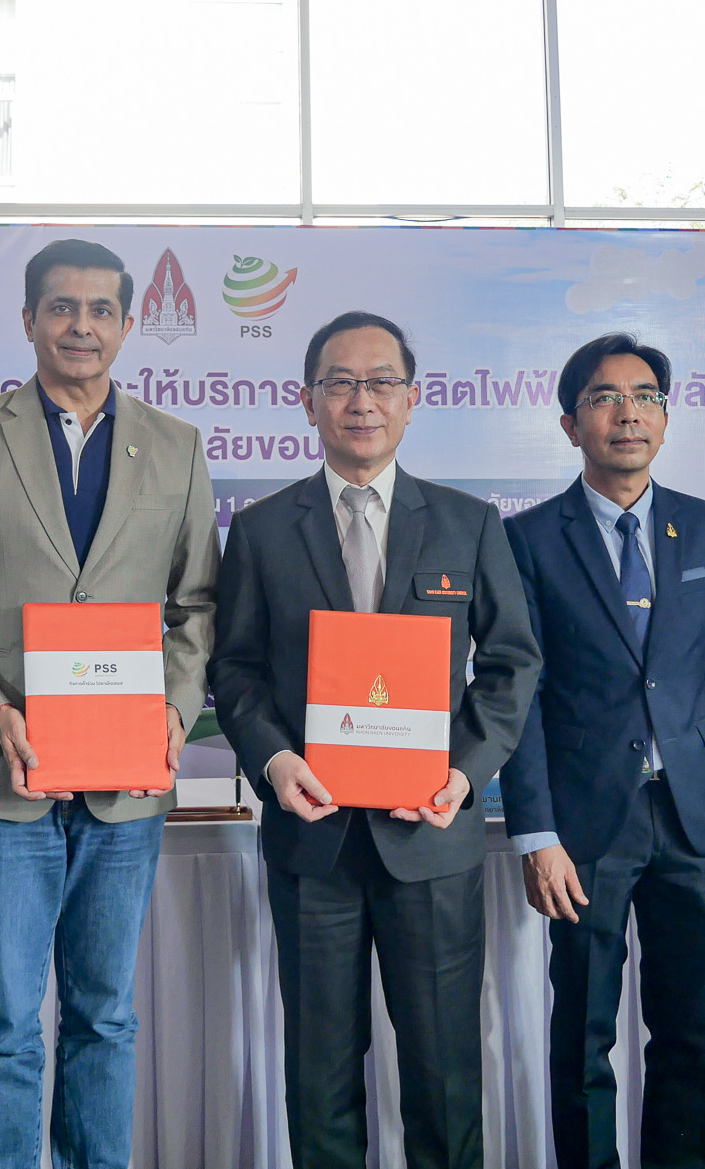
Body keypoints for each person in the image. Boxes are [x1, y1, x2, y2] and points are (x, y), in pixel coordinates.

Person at [0, 238, 218, 1169]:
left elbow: (197, 606)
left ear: (128, 323)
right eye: (62, 308)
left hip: (127, 786)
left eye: (101, 309)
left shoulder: (177, 445)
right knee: (3, 1019)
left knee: (104, 1014)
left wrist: (172, 711)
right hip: (5, 777)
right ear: (29, 319)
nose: (82, 326)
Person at [209, 310, 542, 1169]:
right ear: (307, 400)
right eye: (341, 383)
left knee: (443, 1073)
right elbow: (235, 668)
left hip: (430, 835)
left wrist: (464, 773)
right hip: (311, 838)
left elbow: (511, 664)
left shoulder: (468, 523)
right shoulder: (261, 528)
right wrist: (275, 759)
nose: (363, 401)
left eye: (383, 382)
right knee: (319, 1076)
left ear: (412, 399)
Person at [497, 333, 705, 1169]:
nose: (629, 413)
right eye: (605, 398)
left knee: (688, 1034)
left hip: (696, 822)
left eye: (646, 396)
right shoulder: (528, 539)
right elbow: (521, 695)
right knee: (582, 1034)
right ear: (569, 424)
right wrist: (536, 833)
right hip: (586, 827)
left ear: (665, 416)